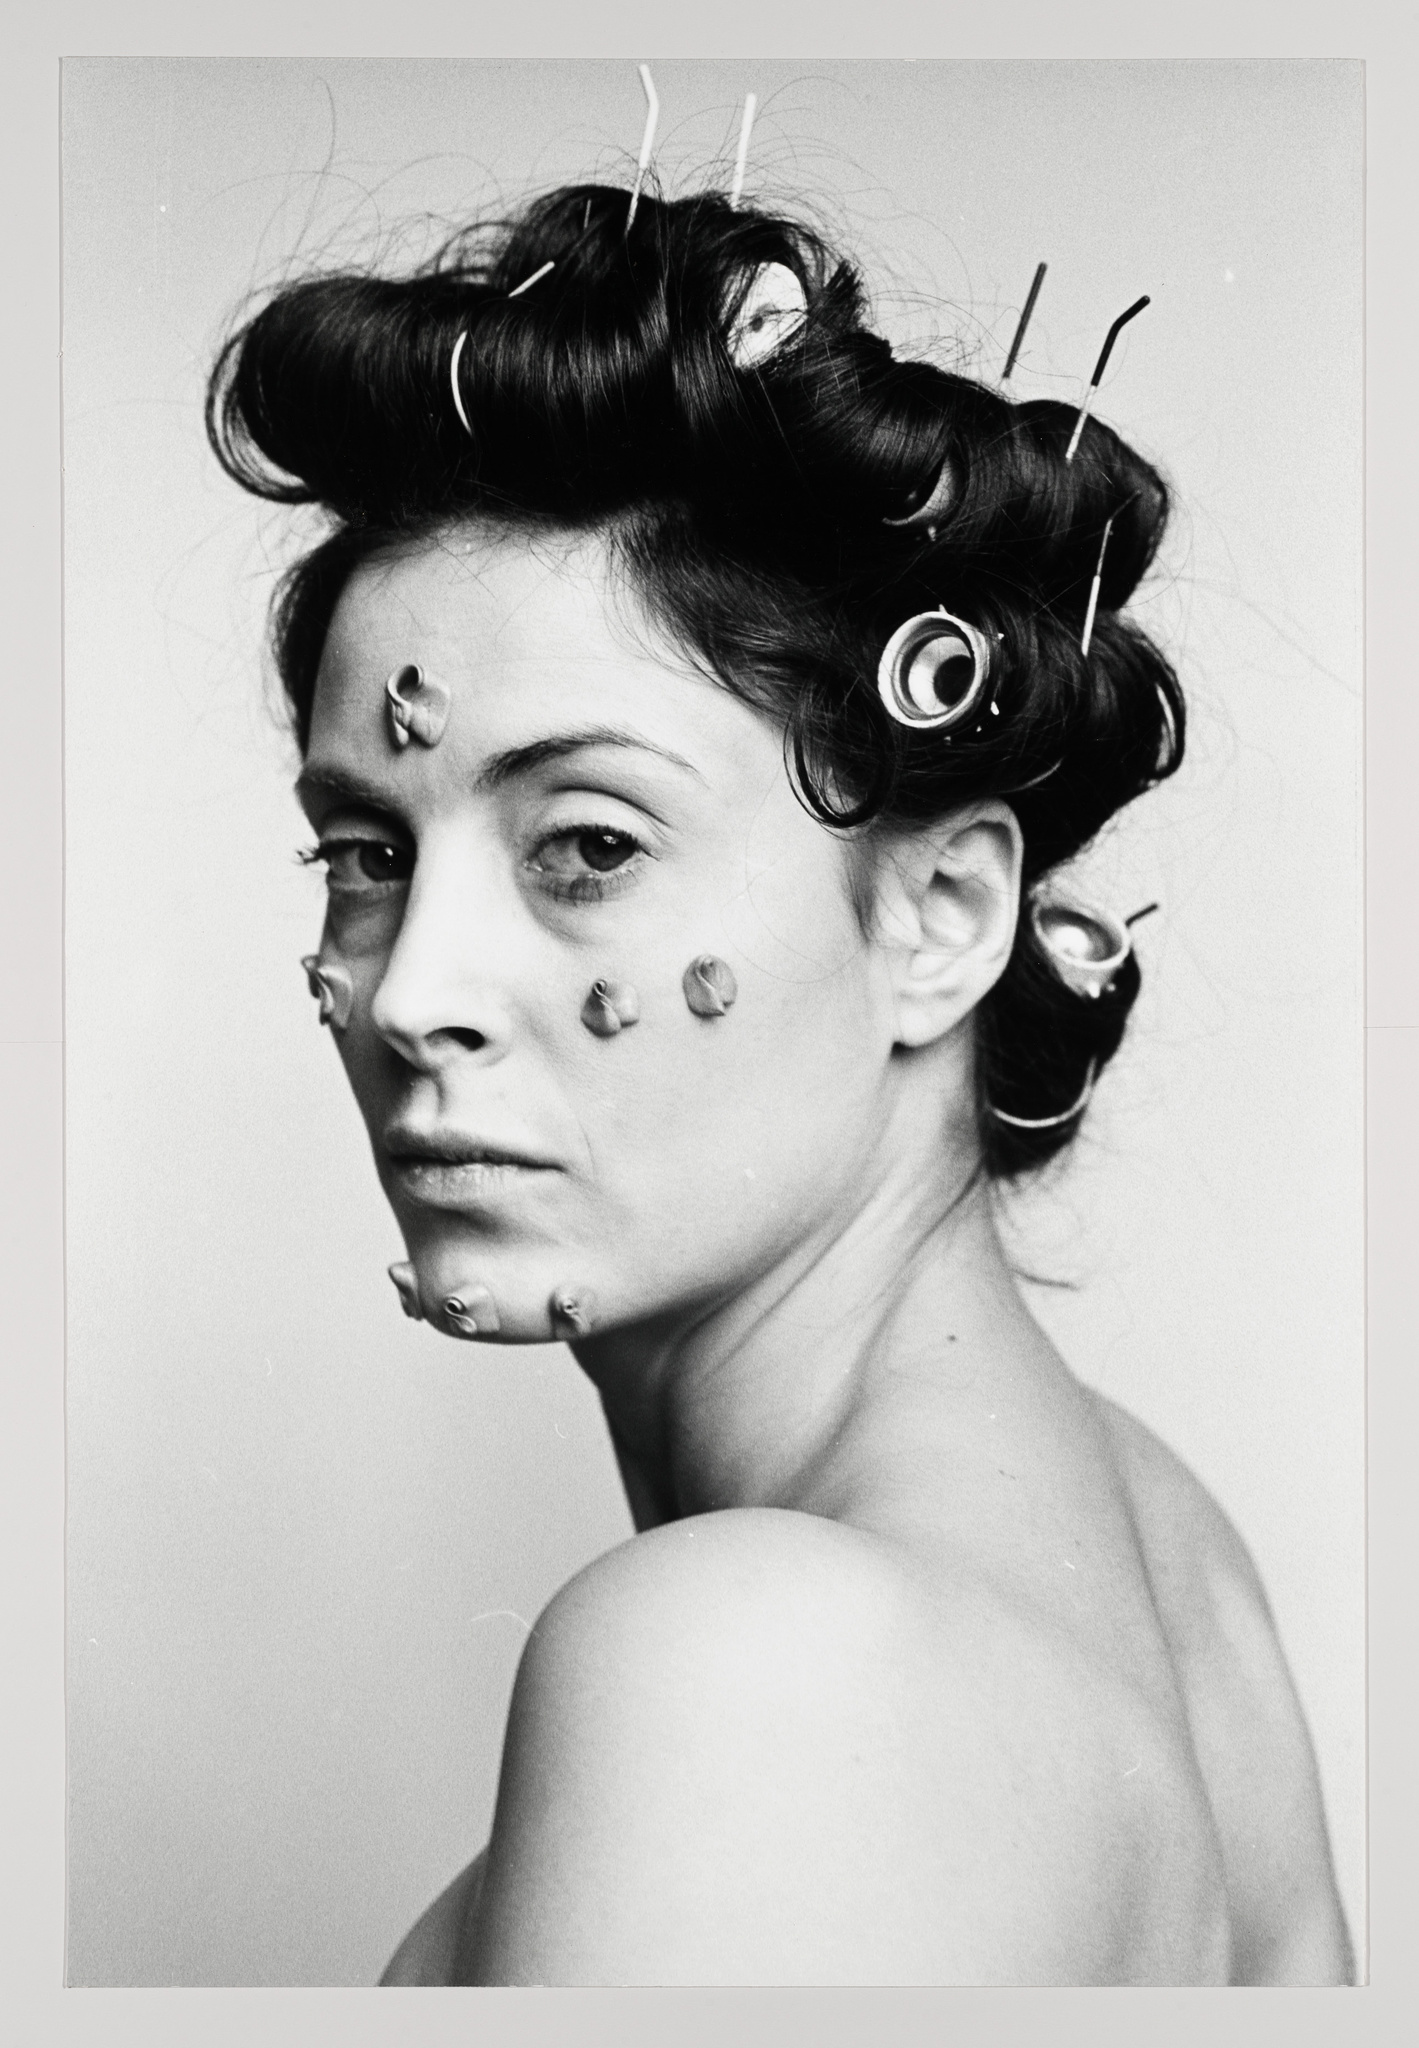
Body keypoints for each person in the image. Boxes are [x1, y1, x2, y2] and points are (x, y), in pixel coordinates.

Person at [206, 179, 1354, 1986]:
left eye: (585, 844)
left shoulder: (743, 1670)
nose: (413, 992)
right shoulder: (1164, 1552)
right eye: (365, 851)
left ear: (937, 916)